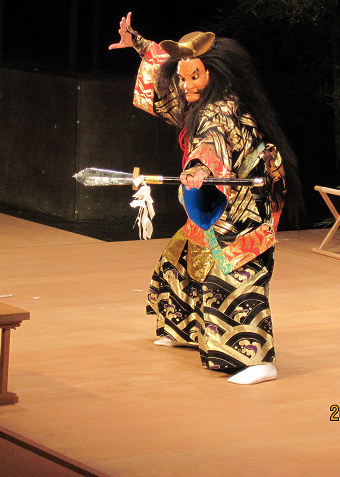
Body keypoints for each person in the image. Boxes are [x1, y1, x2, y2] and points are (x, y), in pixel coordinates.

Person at [109, 12, 302, 385]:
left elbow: (211, 141)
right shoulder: (199, 100)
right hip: (226, 194)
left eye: (193, 76)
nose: (184, 85)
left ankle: (258, 360)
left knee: (232, 275)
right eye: (182, 78)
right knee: (183, 258)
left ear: (214, 73)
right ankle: (184, 328)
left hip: (246, 203)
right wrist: (139, 43)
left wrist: (200, 169)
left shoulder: (220, 109)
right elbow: (166, 73)